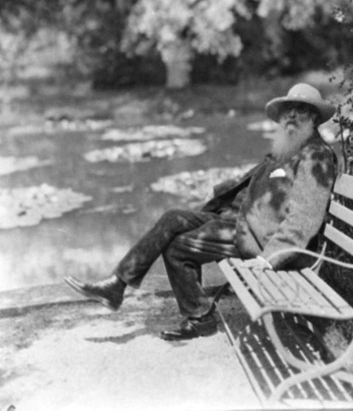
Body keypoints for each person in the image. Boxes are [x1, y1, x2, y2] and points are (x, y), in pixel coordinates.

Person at [65, 83, 337, 340]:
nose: (290, 116)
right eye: (287, 110)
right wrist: (218, 191)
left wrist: (268, 260)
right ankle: (117, 284)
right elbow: (250, 178)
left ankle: (199, 318)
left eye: (299, 110)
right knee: (173, 217)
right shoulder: (289, 148)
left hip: (261, 240)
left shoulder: (316, 157)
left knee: (178, 248)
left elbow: (305, 217)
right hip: (240, 221)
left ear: (314, 117)